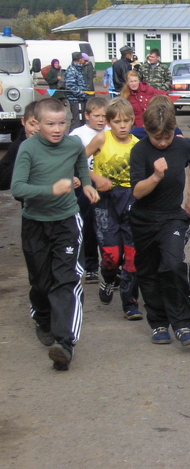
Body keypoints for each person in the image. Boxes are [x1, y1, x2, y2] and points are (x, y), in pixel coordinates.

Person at [11, 98, 100, 370]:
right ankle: (42, 316)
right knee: (40, 280)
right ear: (36, 124)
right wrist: (51, 189)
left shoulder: (73, 144)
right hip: (35, 222)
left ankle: (65, 343)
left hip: (66, 221)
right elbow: (17, 189)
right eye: (51, 124)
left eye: (63, 123)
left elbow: (80, 163)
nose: (58, 129)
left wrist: (85, 184)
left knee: (66, 279)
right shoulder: (27, 149)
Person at [130, 102, 190, 346]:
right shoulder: (140, 151)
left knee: (172, 265)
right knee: (149, 271)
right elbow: (138, 192)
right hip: (144, 219)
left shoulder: (182, 145)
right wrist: (155, 176)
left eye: (167, 136)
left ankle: (182, 324)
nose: (162, 143)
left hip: (172, 216)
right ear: (147, 131)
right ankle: (159, 323)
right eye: (156, 138)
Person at [85, 98, 142, 320]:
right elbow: (78, 159)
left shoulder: (137, 144)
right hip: (105, 201)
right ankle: (108, 277)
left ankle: (130, 303)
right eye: (117, 121)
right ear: (108, 122)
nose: (122, 126)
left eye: (127, 121)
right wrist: (95, 177)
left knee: (131, 255)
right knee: (111, 255)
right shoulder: (101, 138)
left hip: (130, 200)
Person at [69, 97, 109, 285]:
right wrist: (75, 177)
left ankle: (110, 267)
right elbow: (71, 161)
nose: (101, 120)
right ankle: (91, 267)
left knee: (107, 227)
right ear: (86, 116)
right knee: (88, 227)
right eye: (96, 116)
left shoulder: (112, 131)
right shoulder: (78, 135)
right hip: (86, 186)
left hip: (108, 187)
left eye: (104, 116)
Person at [0, 102, 38, 191]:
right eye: (32, 125)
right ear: (23, 121)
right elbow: (2, 180)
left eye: (40, 124)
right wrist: (21, 161)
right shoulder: (17, 146)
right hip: (28, 200)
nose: (36, 129)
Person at [64, 51, 89, 131]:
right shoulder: (72, 70)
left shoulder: (79, 69)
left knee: (82, 121)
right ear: (79, 59)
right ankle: (73, 138)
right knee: (77, 121)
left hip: (82, 100)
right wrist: (82, 94)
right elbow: (70, 86)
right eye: (82, 58)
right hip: (76, 100)